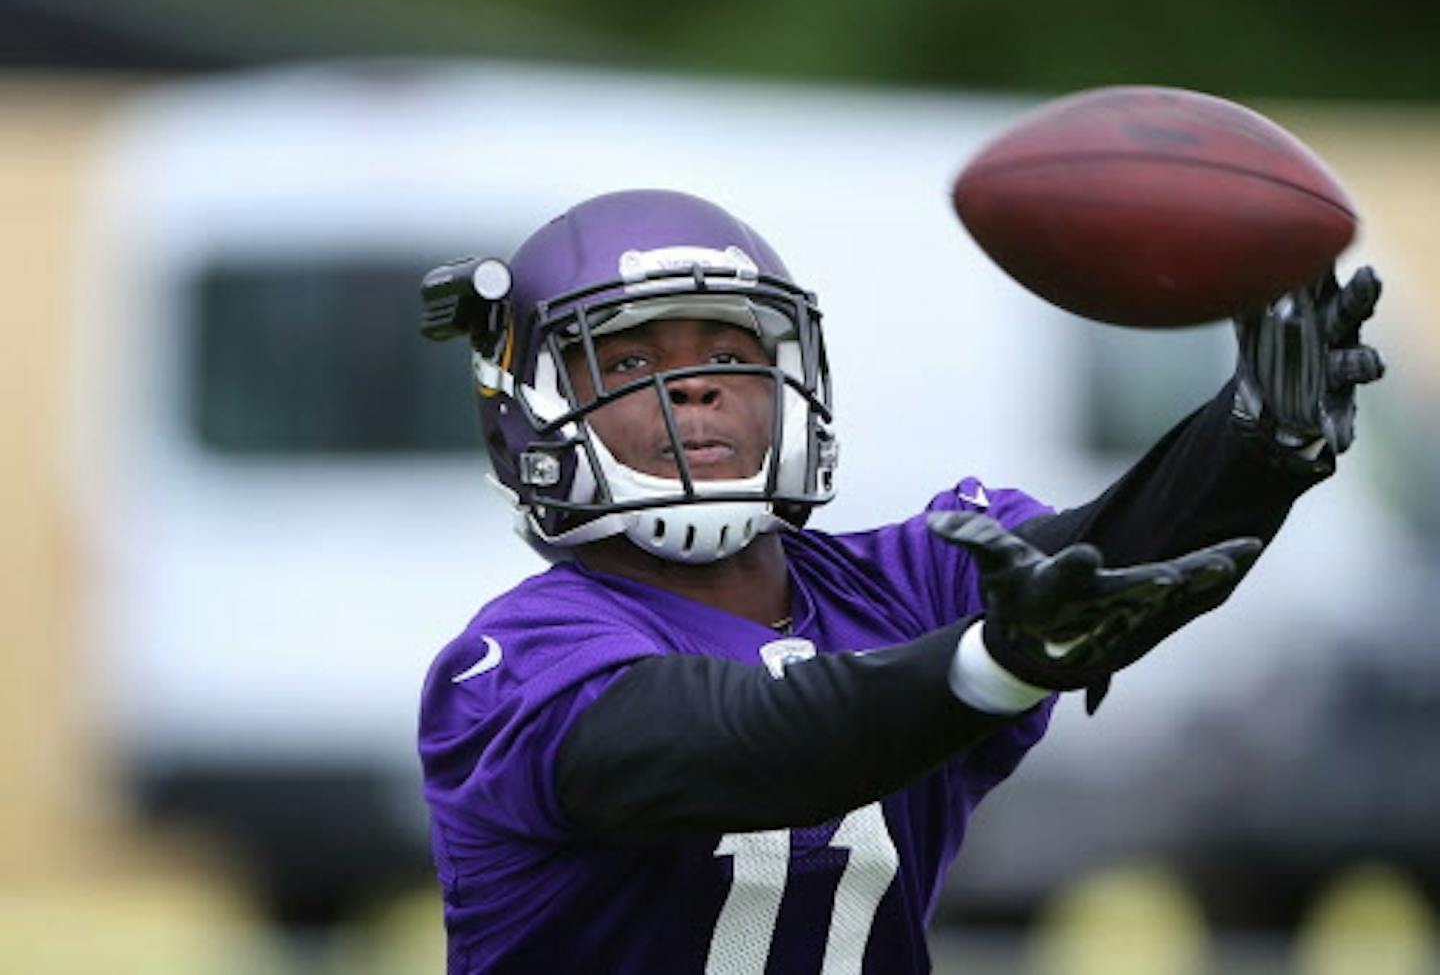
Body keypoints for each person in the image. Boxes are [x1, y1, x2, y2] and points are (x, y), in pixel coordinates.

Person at [416, 189, 1383, 974]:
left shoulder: (902, 582)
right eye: (629, 359)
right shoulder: (516, 660)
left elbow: (1102, 562)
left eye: (726, 354)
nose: (695, 389)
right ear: (529, 411)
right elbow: (747, 739)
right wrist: (987, 668)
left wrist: (1254, 444)